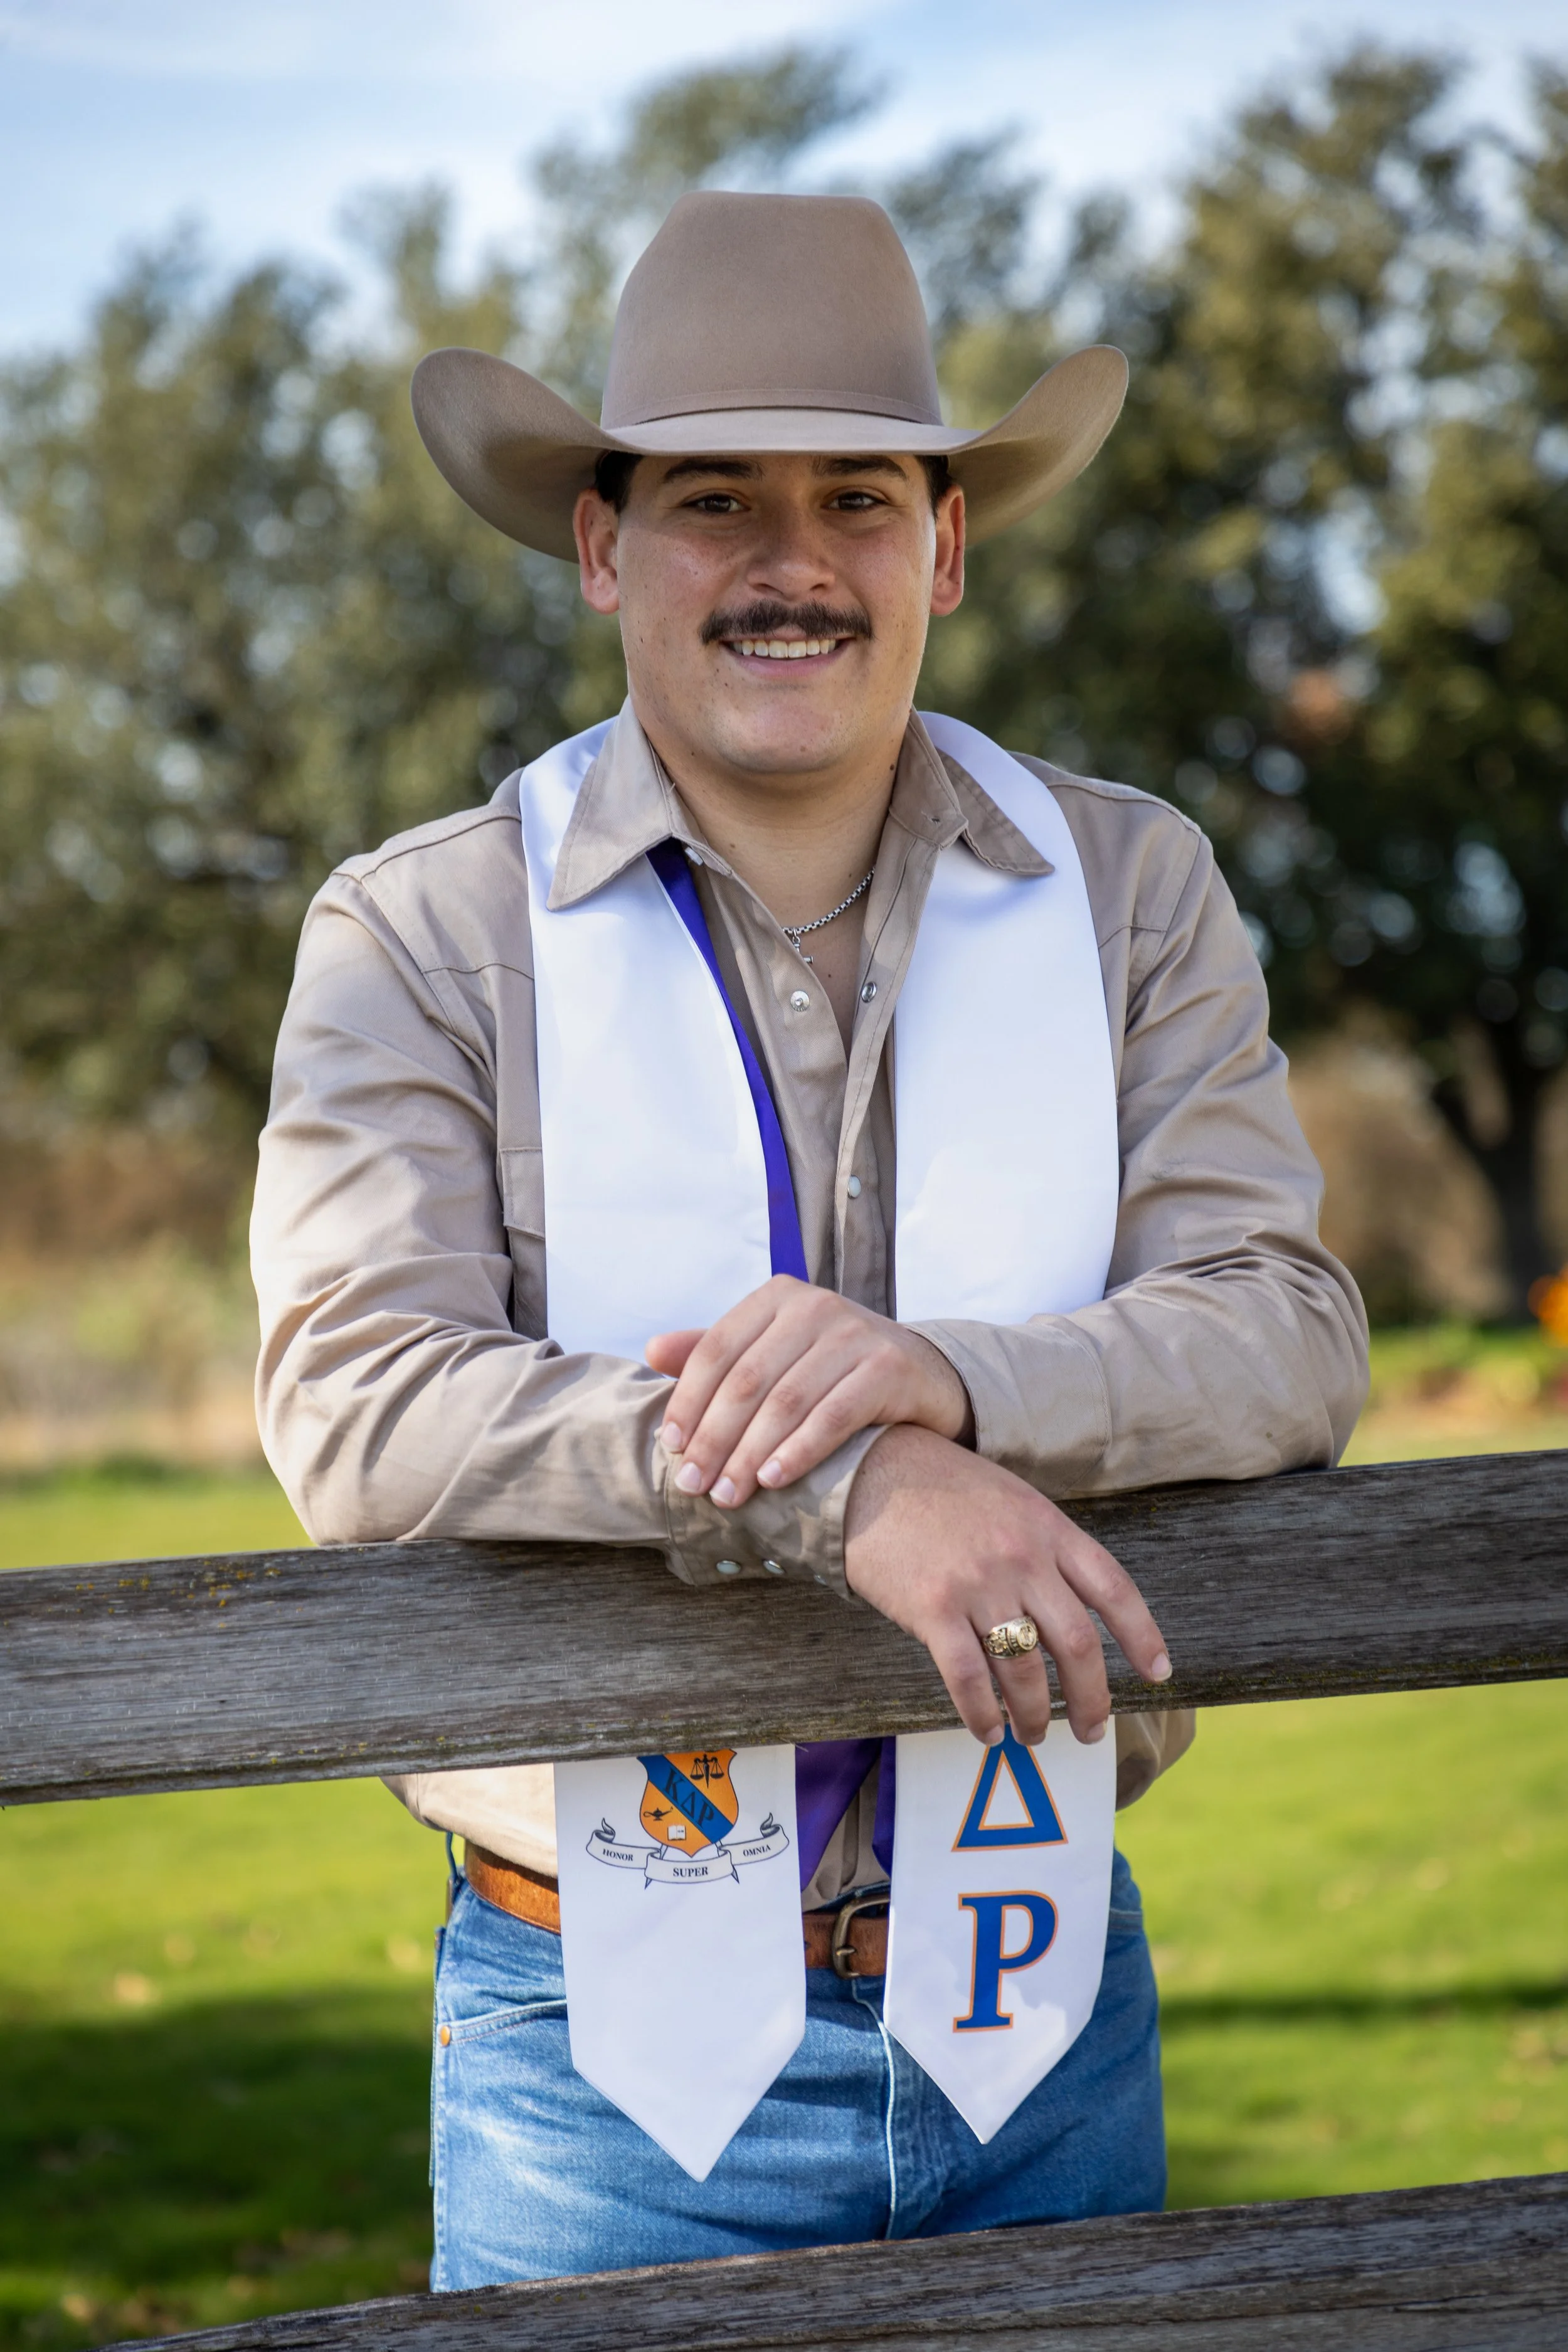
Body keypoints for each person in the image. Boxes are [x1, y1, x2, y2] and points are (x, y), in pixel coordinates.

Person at [251, 191, 1367, 2284]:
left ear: (944, 544)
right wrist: (841, 1490)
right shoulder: (424, 928)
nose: (792, 563)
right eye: (711, 499)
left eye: (860, 493)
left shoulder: (1128, 889)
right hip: (597, 2058)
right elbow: (357, 1397)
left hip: (1042, 1997)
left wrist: (956, 1384)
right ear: (600, 544)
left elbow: (1283, 1324)